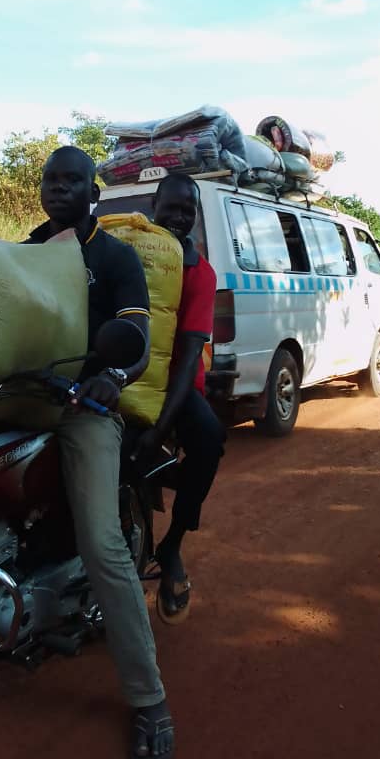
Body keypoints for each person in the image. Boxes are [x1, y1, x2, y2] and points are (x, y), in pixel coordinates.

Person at [25, 146, 174, 759]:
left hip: (84, 404)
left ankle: (149, 700)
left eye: (72, 181)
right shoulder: (25, 251)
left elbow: (136, 341)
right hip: (20, 397)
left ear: (95, 190)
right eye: (50, 180)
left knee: (102, 542)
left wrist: (113, 375)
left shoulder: (114, 257)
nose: (59, 190)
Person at [133, 172, 226, 623]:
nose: (178, 216)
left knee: (209, 438)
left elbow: (190, 354)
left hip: (176, 385)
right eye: (171, 207)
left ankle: (171, 548)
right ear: (154, 205)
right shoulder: (130, 254)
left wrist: (161, 424)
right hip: (122, 375)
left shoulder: (200, 272)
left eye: (187, 209)